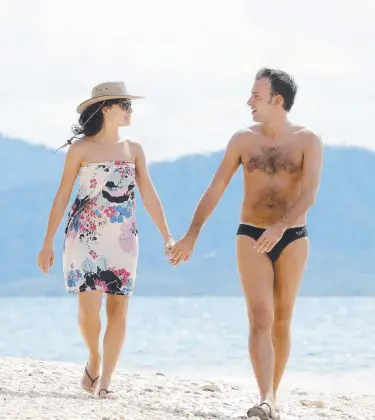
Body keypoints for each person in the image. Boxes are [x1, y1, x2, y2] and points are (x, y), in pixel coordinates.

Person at [169, 68, 323, 419]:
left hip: (293, 237)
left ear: (277, 100)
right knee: (260, 317)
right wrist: (192, 234)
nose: (249, 102)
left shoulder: (308, 140)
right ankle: (265, 397)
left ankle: (274, 395)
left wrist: (282, 226)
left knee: (282, 319)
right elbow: (216, 187)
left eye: (256, 95)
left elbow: (310, 193)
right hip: (251, 233)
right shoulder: (242, 140)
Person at [36, 81, 175, 399]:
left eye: (130, 105)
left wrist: (167, 235)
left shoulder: (134, 149)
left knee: (119, 309)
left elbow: (149, 195)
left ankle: (107, 382)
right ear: (106, 109)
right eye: (125, 104)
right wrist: (47, 241)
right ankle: (94, 359)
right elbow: (61, 196)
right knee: (88, 310)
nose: (130, 110)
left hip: (124, 238)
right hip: (84, 236)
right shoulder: (81, 149)